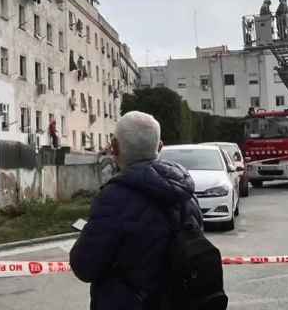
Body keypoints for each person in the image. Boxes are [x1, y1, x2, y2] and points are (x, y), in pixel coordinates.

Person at [70, 111, 205, 309]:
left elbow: (85, 266)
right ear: (160, 147)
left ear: (114, 148)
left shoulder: (113, 199)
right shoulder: (185, 193)